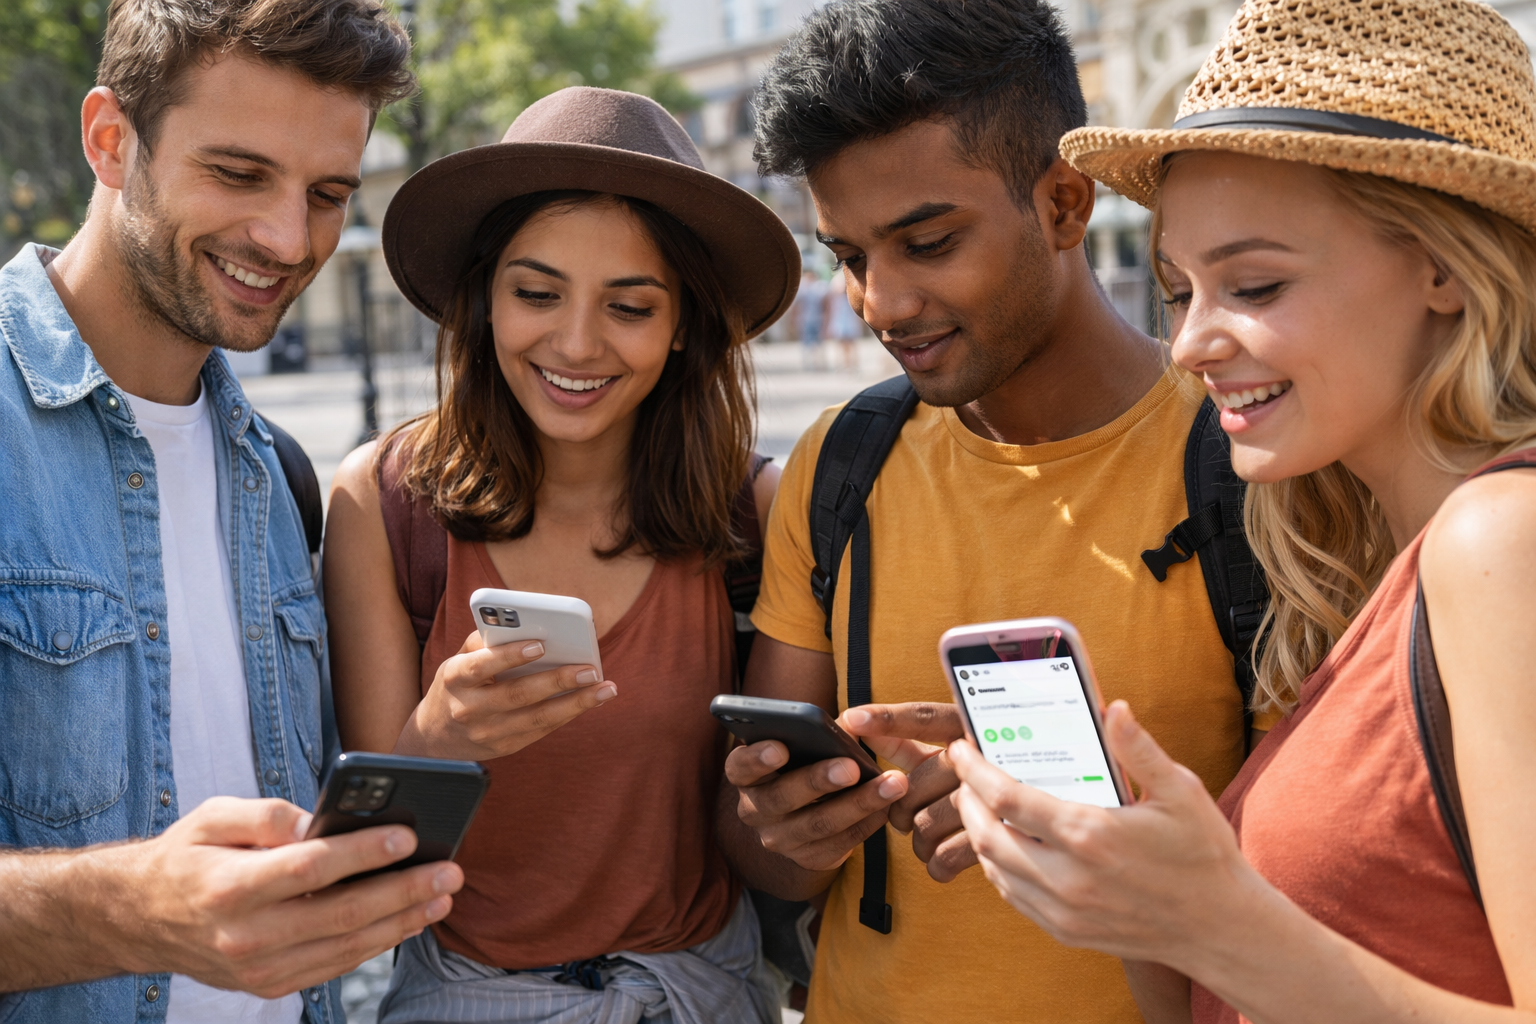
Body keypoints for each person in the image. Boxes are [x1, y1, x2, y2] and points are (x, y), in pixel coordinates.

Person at [951, 1, 1536, 1021]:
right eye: (1180, 292)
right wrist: (1143, 896)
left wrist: (1215, 921)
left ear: (1444, 267)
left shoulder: (1500, 541)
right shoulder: (1385, 562)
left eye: (1254, 284)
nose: (1189, 345)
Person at [718, 0, 1272, 1019]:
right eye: (849, 257)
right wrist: (793, 825)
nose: (881, 304)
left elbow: (1325, 875)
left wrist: (1087, 821)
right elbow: (763, 860)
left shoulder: (1254, 468)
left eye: (927, 242)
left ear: (1064, 203)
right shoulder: (841, 463)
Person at [0, 0, 465, 1022]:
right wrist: (132, 913)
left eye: (327, 193)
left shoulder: (280, 476)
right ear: (110, 140)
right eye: (240, 173)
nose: (288, 238)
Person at [323, 87, 800, 1024]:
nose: (576, 344)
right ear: (483, 299)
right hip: (467, 996)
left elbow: (775, 841)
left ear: (683, 325)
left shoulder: (754, 510)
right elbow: (372, 867)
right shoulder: (380, 501)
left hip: (699, 992)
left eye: (630, 306)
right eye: (536, 294)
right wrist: (436, 741)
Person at [825, 272, 864, 371]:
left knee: (851, 345)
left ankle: (853, 365)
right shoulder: (837, 298)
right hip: (841, 321)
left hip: (848, 321)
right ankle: (845, 365)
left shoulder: (850, 298)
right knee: (842, 345)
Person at [795, 268, 829, 369]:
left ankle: (820, 362)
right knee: (806, 342)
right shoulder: (802, 288)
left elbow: (825, 304)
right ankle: (807, 362)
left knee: (819, 341)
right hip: (805, 319)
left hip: (817, 319)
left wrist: (826, 318)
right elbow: (797, 305)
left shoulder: (819, 287)